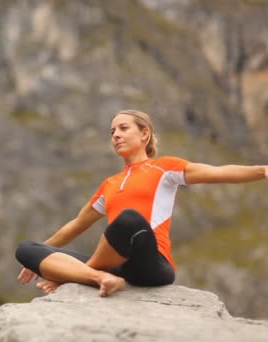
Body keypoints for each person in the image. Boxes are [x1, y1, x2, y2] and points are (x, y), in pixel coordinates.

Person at [15, 109, 268, 297]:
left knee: (129, 220)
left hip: (152, 265)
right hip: (116, 268)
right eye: (112, 131)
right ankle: (96, 277)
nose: (116, 135)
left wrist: (262, 171)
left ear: (144, 134)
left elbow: (218, 172)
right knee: (26, 249)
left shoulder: (164, 168)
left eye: (123, 128)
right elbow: (77, 225)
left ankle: (77, 276)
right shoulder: (109, 184)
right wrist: (41, 255)